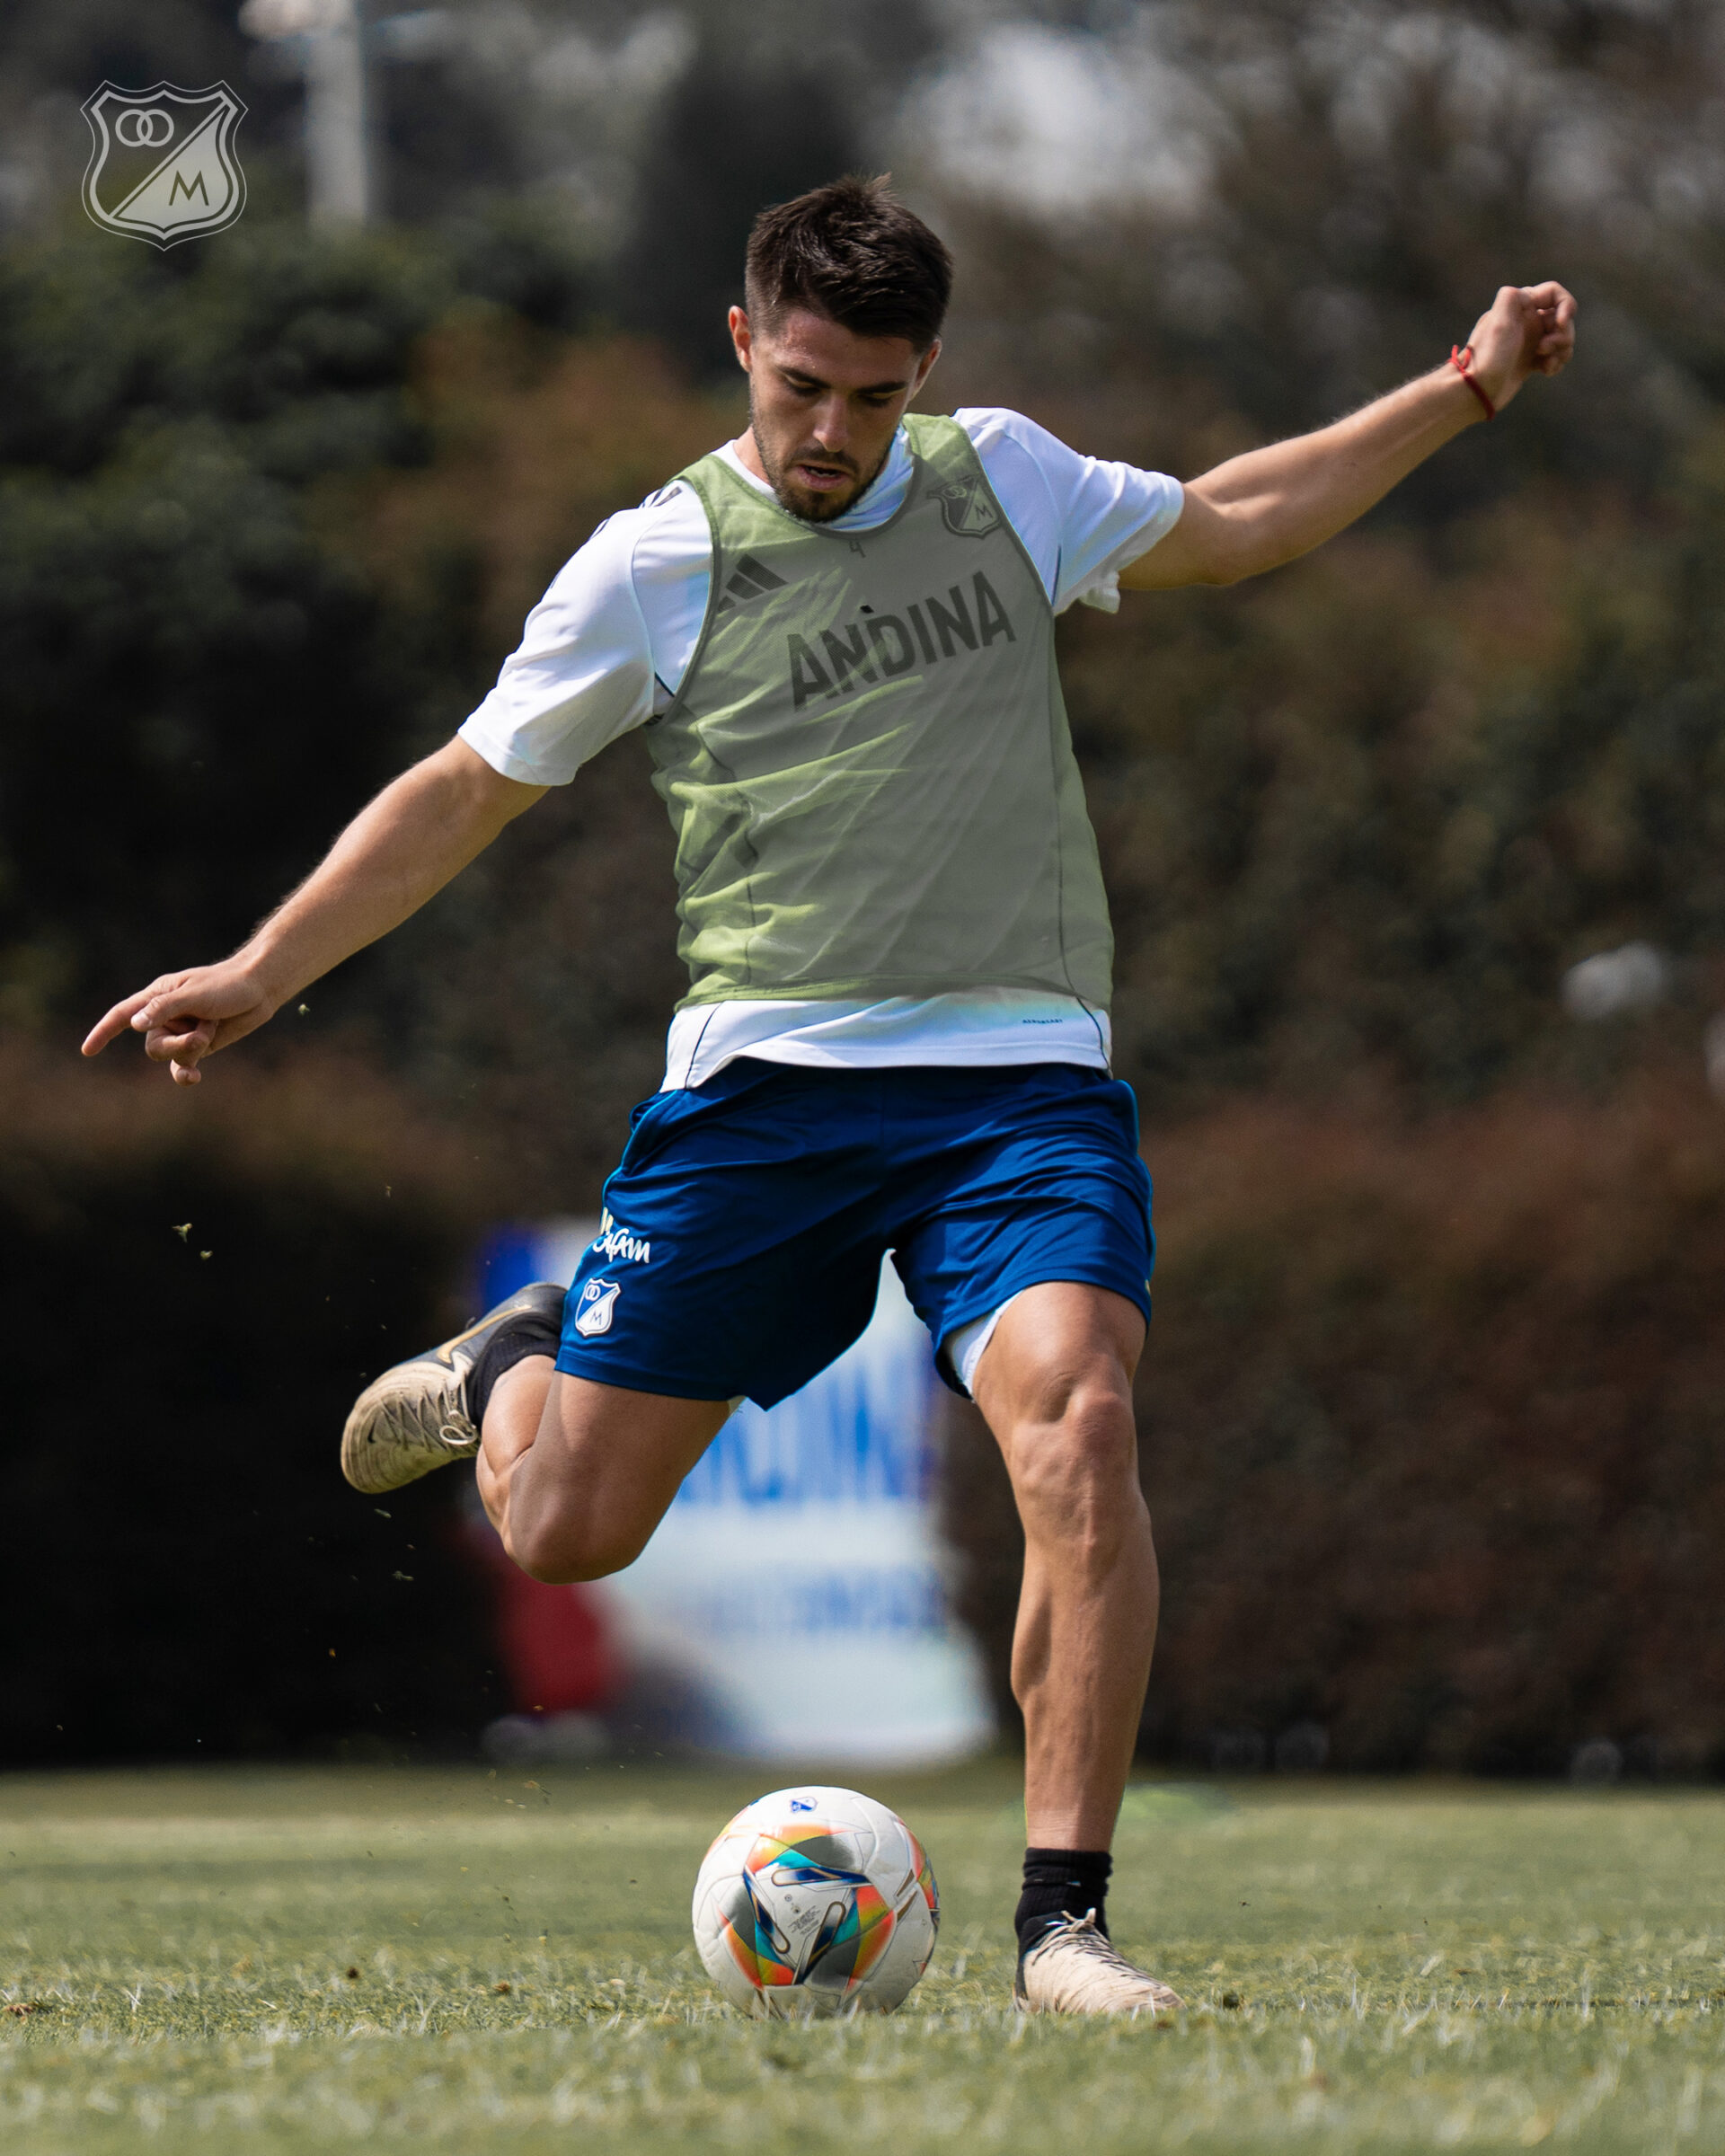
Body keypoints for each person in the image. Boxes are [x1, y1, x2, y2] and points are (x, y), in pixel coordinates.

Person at [84, 176, 1575, 2017]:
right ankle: (510, 1365)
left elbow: (1238, 519)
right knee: (565, 1530)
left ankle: (1062, 1931)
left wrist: (1465, 388)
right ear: (743, 341)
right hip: (762, 1107)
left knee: (1084, 1425)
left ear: (924, 372)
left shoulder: (1006, 480)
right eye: (801, 386)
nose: (832, 434)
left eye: (875, 397)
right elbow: (465, 787)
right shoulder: (655, 560)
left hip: (1016, 1093)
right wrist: (262, 969)